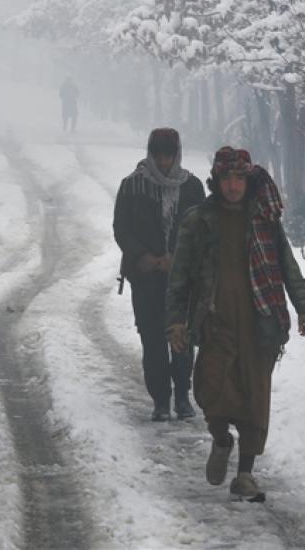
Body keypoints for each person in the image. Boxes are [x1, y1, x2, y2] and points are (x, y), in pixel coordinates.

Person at [166, 147, 305, 502]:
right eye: (226, 179)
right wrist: (176, 322)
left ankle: (245, 474)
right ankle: (221, 440)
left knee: (254, 398)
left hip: (260, 323)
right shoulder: (198, 220)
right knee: (210, 389)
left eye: (239, 179)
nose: (233, 186)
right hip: (215, 322)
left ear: (247, 181)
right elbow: (180, 277)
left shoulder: (264, 219)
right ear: (216, 181)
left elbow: (287, 266)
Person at [114, 128, 206, 422]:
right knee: (152, 339)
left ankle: (182, 395)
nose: (164, 162)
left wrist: (176, 259)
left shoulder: (191, 187)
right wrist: (145, 258)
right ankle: (160, 400)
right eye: (159, 156)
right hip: (145, 278)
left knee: (182, 338)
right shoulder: (132, 186)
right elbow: (122, 228)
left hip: (183, 279)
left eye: (168, 156)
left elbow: (200, 229)